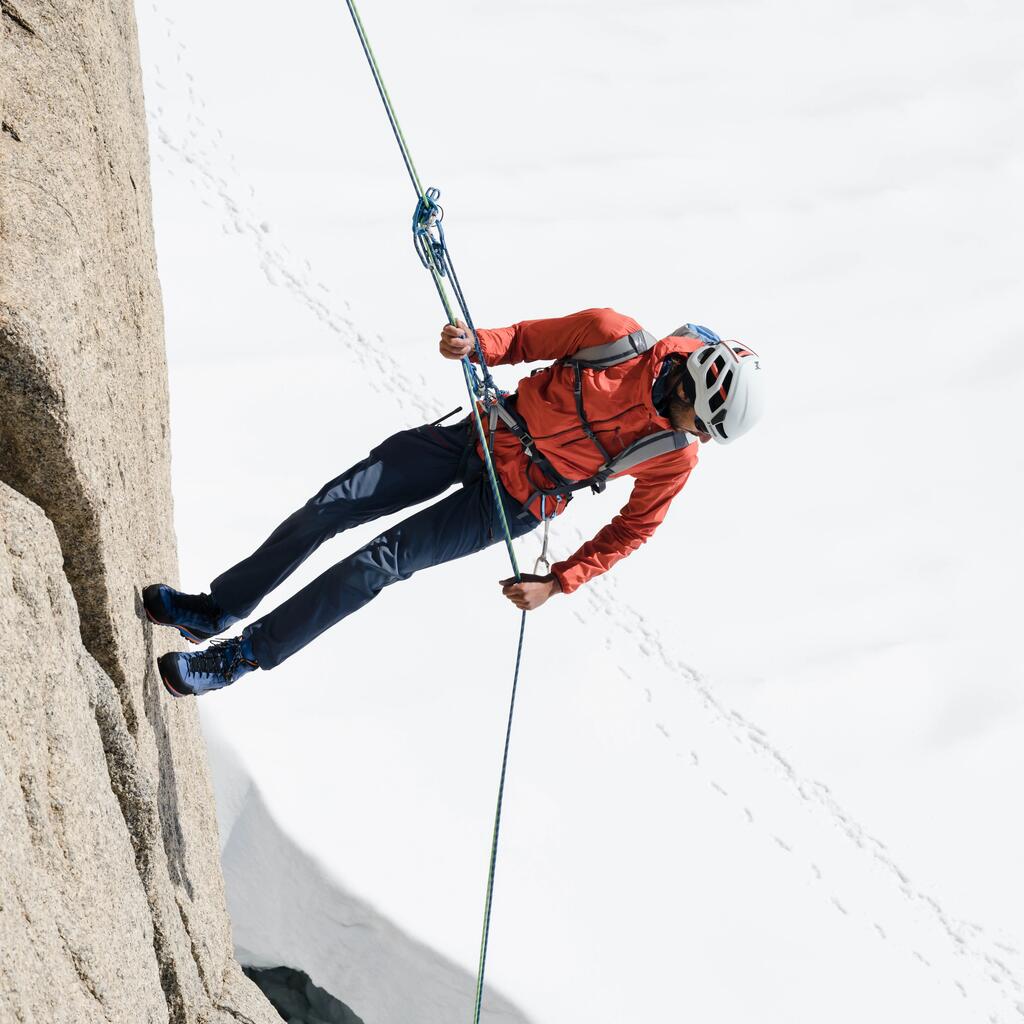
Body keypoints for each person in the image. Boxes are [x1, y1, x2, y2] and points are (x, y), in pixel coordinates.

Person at [145, 307, 764, 697]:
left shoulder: (674, 455)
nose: (695, 435)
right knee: (332, 506)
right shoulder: (612, 335)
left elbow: (631, 530)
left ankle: (241, 658)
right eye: (698, 419)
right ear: (691, 380)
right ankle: (217, 608)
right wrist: (478, 343)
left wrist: (558, 582)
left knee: (377, 564)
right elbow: (522, 339)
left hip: (512, 504)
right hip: (475, 437)